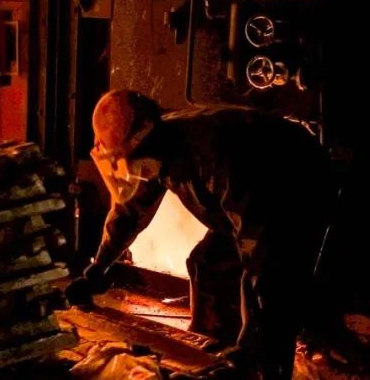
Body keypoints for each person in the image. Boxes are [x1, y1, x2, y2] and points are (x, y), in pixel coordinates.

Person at [66, 90, 332, 380]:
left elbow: (259, 251)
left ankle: (259, 368)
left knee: (270, 291)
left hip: (296, 192)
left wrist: (250, 345)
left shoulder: (214, 152)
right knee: (207, 265)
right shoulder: (154, 149)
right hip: (247, 208)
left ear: (139, 140)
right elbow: (129, 212)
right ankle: (212, 357)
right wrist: (97, 270)